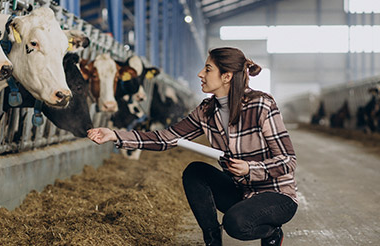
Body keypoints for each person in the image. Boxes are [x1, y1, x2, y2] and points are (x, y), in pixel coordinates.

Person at [87, 47, 297, 246]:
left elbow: (288, 161)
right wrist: (115, 135)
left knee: (236, 224)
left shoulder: (261, 105)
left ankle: (272, 233)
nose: (200, 74)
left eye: (208, 69)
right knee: (195, 171)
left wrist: (250, 169)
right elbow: (165, 138)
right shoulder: (206, 111)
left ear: (227, 76)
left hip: (276, 195)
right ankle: (212, 241)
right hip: (241, 192)